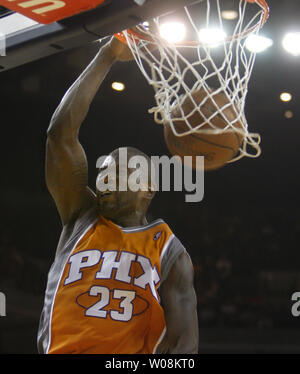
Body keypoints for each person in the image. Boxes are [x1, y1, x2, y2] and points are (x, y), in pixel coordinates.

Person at [37, 37, 198, 354]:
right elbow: (59, 135)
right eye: (102, 171)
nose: (105, 177)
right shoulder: (80, 216)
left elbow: (183, 343)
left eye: (119, 171)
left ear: (147, 188)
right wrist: (107, 53)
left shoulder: (169, 250)